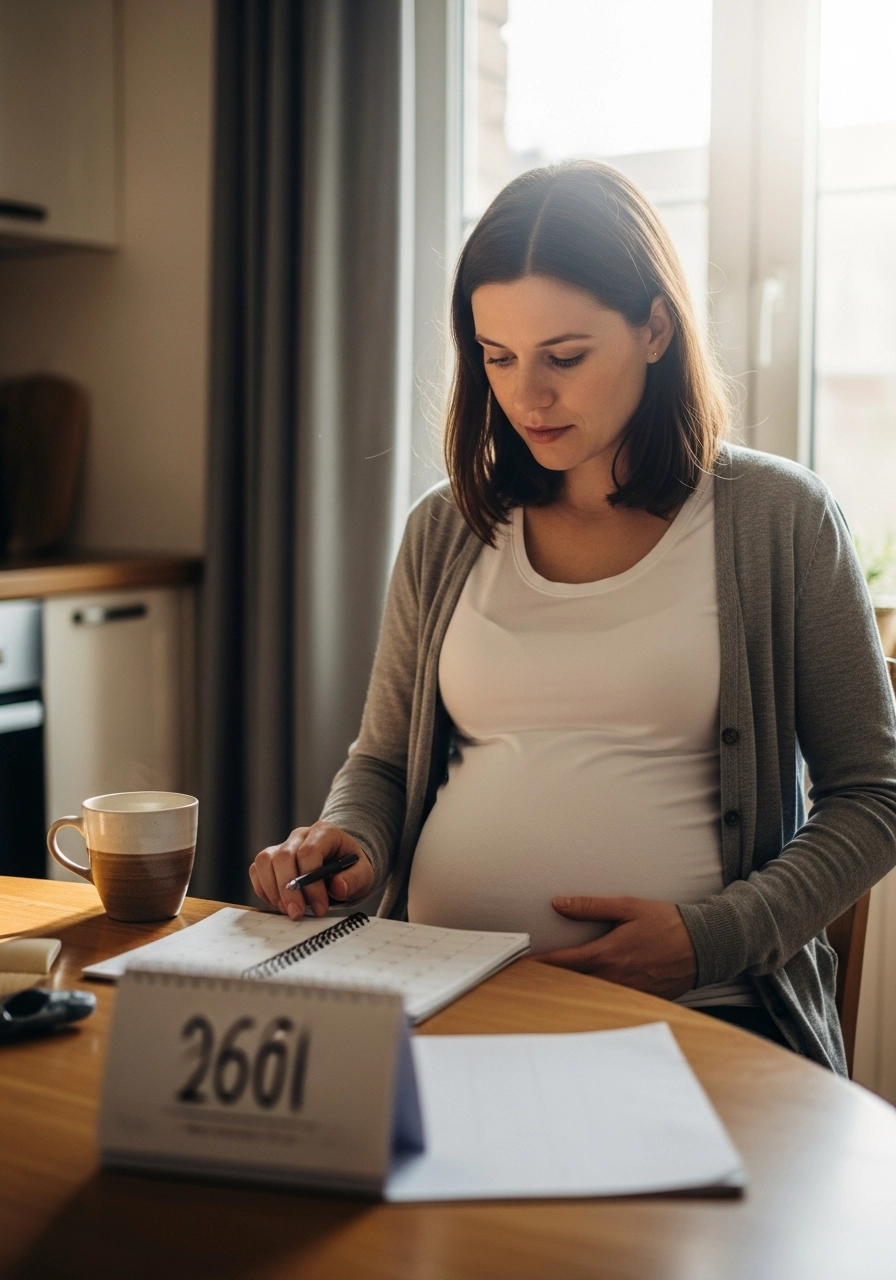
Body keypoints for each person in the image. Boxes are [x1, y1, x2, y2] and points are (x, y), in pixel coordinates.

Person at [249, 160, 896, 1074]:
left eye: (565, 356)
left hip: (700, 1014)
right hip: (442, 998)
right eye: (497, 357)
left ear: (656, 328)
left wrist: (711, 938)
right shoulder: (447, 526)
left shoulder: (777, 517)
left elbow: (875, 796)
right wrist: (350, 839)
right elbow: (384, 760)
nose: (527, 397)